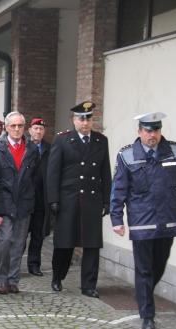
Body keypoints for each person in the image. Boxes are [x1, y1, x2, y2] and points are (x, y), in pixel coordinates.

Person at [110, 112, 176, 329]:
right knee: (144, 269)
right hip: (142, 222)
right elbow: (118, 189)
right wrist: (117, 218)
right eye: (148, 131)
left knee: (159, 264)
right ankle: (148, 315)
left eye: (156, 130)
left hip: (168, 219)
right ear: (139, 132)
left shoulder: (175, 151)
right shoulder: (127, 155)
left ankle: (143, 293)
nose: (153, 135)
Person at [47, 101, 111, 298]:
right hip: (69, 199)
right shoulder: (63, 140)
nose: (85, 123)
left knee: (92, 244)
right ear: (74, 120)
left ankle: (89, 285)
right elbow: (53, 172)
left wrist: (107, 200)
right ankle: (58, 276)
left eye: (88, 118)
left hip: (92, 199)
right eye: (81, 119)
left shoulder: (101, 141)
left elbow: (105, 172)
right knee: (65, 243)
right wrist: (53, 199)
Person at [0, 112, 39, 294]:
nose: (16, 129)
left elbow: (35, 178)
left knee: (18, 243)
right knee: (5, 242)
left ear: (24, 128)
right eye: (13, 126)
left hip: (24, 204)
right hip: (4, 205)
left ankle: (13, 279)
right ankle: (1, 279)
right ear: (6, 128)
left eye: (20, 126)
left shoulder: (32, 149)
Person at [26, 117, 51, 276]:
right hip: (26, 198)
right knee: (20, 235)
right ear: (29, 131)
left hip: (42, 198)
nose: (38, 131)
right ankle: (14, 264)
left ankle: (34, 265)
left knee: (38, 234)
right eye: (35, 128)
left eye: (41, 129)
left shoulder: (50, 148)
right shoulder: (25, 147)